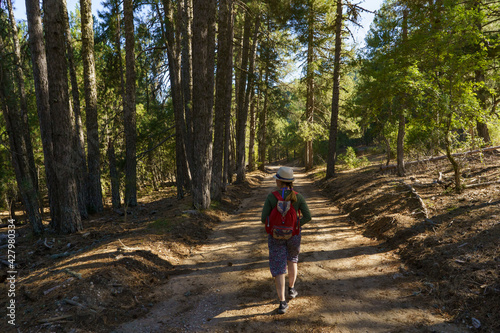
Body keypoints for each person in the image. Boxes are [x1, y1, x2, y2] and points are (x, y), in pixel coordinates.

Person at [261, 166, 311, 314]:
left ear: (279, 181)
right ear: (290, 182)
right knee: (292, 259)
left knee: (278, 265)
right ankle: (291, 289)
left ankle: (282, 303)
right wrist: (296, 225)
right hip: (293, 235)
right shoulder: (298, 197)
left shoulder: (272, 197)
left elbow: (264, 218)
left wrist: (274, 227)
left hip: (276, 236)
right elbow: (308, 217)